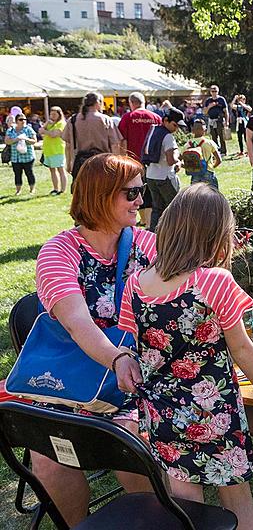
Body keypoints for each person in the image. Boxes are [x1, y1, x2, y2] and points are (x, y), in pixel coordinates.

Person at [118, 184, 253, 530]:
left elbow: (133, 343)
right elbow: (241, 347)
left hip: (162, 416)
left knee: (186, 507)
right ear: (215, 237)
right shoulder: (214, 282)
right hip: (214, 414)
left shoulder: (135, 284)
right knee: (236, 498)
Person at [32, 154, 155, 526]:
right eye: (131, 193)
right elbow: (78, 324)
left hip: (137, 378)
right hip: (72, 380)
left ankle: (151, 518)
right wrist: (117, 359)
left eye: (141, 191)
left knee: (130, 436)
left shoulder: (148, 245)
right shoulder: (58, 251)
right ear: (100, 196)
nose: (140, 201)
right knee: (48, 458)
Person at [63, 92, 124, 187]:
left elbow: (68, 145)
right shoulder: (106, 119)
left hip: (81, 164)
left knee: (83, 195)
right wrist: (116, 164)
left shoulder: (73, 120)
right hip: (103, 163)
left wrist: (69, 163)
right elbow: (115, 145)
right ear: (98, 103)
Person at [119, 92, 162, 225]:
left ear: (131, 103)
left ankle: (144, 219)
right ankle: (148, 220)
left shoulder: (128, 117)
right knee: (150, 190)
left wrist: (122, 158)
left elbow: (122, 140)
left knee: (137, 189)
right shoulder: (156, 117)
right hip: (154, 160)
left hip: (134, 160)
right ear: (145, 103)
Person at [145, 108, 186, 231]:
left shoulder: (153, 130)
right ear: (166, 120)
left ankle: (153, 235)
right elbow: (170, 160)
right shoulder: (168, 136)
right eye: (174, 125)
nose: (176, 129)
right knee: (175, 208)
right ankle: (176, 235)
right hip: (165, 177)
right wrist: (179, 160)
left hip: (151, 175)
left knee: (157, 209)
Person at [182, 118, 222, 188]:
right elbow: (219, 160)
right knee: (212, 196)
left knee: (196, 196)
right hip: (208, 173)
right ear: (204, 130)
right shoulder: (209, 143)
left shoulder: (187, 145)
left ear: (193, 130)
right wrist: (211, 167)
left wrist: (189, 166)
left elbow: (179, 159)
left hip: (194, 175)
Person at [5, 113, 37, 195]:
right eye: (21, 119)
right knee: (17, 174)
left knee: (29, 173)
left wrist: (26, 139)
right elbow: (7, 141)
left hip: (28, 156)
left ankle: (32, 189)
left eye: (24, 119)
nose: (23, 121)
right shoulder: (10, 130)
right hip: (15, 157)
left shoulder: (28, 129)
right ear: (16, 121)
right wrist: (16, 139)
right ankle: (18, 190)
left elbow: (34, 141)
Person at [41, 106, 67, 194]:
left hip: (57, 150)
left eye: (54, 114)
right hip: (48, 150)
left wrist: (45, 132)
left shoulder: (61, 123)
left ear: (59, 114)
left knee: (60, 169)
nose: (52, 116)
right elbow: (40, 131)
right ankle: (55, 188)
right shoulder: (50, 123)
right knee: (52, 170)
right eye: (51, 114)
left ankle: (62, 190)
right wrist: (46, 124)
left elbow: (54, 134)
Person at [203, 85, 230, 156]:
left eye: (216, 91)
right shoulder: (208, 100)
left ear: (218, 91)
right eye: (213, 91)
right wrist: (209, 106)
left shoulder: (221, 99)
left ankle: (223, 152)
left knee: (222, 136)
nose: (214, 93)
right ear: (210, 92)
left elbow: (226, 111)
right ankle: (216, 152)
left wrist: (227, 121)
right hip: (211, 120)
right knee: (213, 137)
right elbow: (205, 112)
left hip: (219, 120)